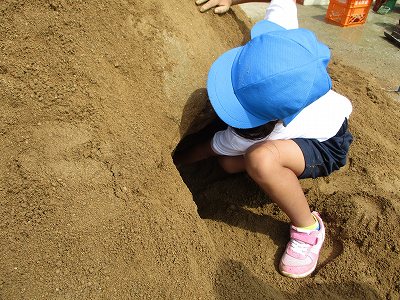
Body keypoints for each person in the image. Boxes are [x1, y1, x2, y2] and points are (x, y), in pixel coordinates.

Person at [174, 0, 353, 278]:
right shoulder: (280, 45)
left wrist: (174, 163)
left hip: (327, 144)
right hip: (318, 117)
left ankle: (308, 229)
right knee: (229, 165)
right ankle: (267, 171)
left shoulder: (258, 134)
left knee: (260, 159)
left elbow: (208, 149)